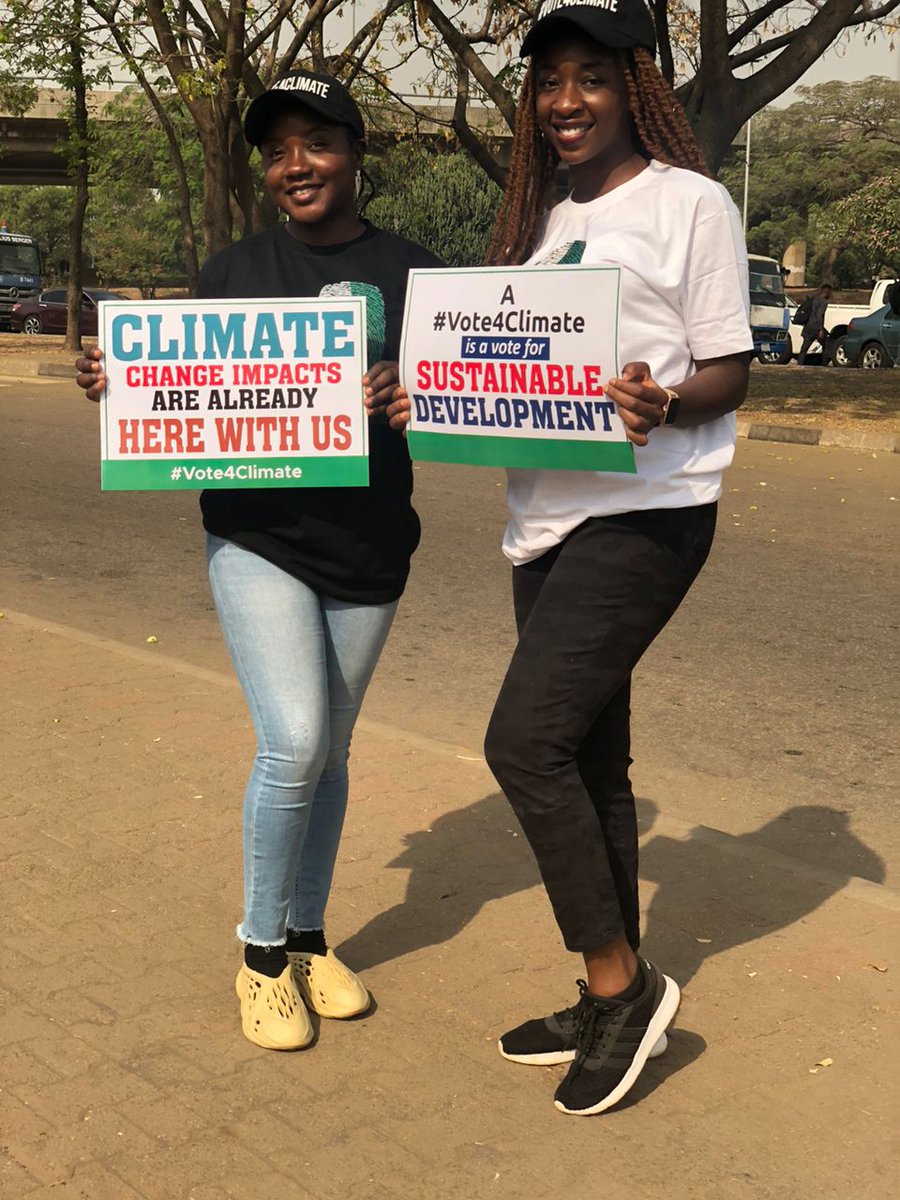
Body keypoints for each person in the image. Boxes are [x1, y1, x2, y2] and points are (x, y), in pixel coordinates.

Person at [390, 0, 753, 1116]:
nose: (564, 101)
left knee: (524, 742)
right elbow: (510, 368)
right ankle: (608, 996)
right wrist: (432, 393)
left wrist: (665, 401)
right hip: (542, 519)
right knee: (592, 765)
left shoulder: (690, 202)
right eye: (547, 81)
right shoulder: (540, 216)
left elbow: (731, 368)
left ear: (633, 88)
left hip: (646, 515)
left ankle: (622, 984)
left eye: (589, 77)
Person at [75, 70, 442, 1051]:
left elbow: (458, 398)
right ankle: (260, 957)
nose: (295, 165)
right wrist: (124, 377)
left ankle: (313, 937)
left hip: (368, 546)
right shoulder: (230, 272)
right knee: (293, 740)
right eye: (277, 150)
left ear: (356, 153)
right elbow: (177, 388)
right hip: (258, 538)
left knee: (331, 753)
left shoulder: (415, 272)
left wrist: (421, 400)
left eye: (315, 142)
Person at [797, 284, 832, 365]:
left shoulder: (813, 299)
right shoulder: (824, 302)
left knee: (804, 348)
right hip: (815, 328)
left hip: (808, 326)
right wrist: (820, 330)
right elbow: (819, 316)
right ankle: (824, 364)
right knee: (826, 344)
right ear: (827, 292)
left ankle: (799, 363)